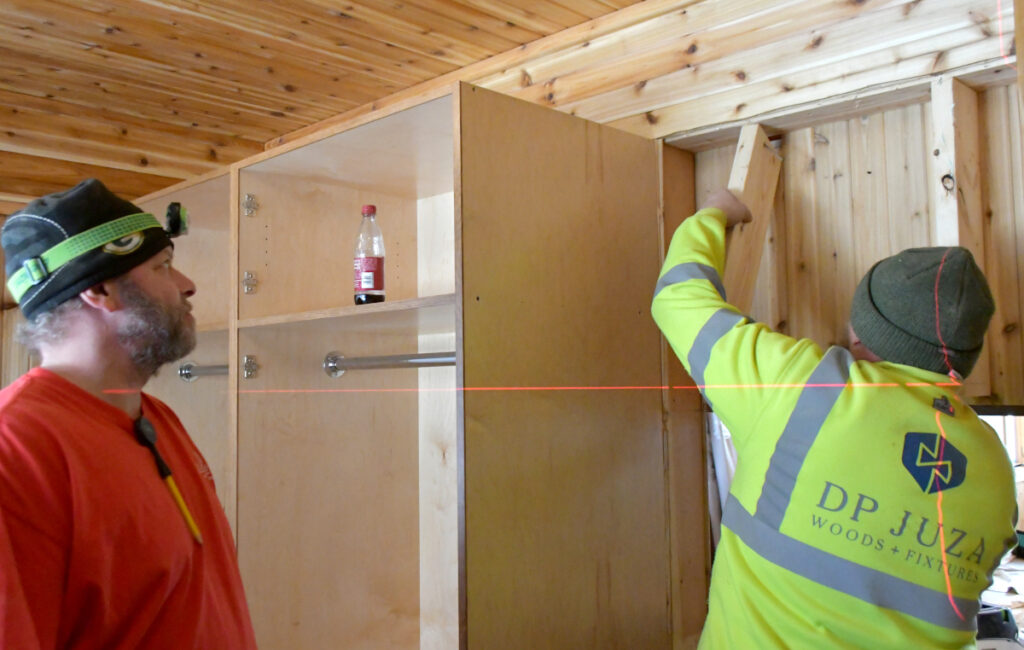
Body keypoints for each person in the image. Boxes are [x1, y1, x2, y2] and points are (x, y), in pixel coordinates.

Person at [652, 188, 1017, 648]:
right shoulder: (996, 469)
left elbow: (679, 298)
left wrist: (716, 213)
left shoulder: (804, 389)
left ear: (859, 333)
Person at [0, 179, 256, 648]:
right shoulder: (16, 450)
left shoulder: (157, 418)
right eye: (163, 267)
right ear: (99, 288)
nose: (187, 285)